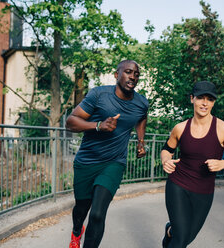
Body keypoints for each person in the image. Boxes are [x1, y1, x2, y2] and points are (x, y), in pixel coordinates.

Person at [65, 60, 148, 248]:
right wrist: (98, 125)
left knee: (97, 214)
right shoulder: (99, 95)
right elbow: (70, 122)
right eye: (128, 72)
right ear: (116, 74)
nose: (133, 77)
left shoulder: (141, 102)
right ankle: (77, 231)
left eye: (136, 74)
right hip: (87, 161)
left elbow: (142, 118)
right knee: (81, 209)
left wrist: (140, 142)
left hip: (114, 162)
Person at [160, 81, 224, 248]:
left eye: (210, 99)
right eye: (200, 98)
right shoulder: (180, 128)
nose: (205, 103)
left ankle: (170, 231)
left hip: (203, 191)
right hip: (178, 184)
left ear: (213, 102)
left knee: (187, 236)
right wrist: (165, 160)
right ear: (192, 99)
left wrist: (223, 164)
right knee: (181, 239)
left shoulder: (223, 129)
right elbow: (166, 150)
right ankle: (174, 234)